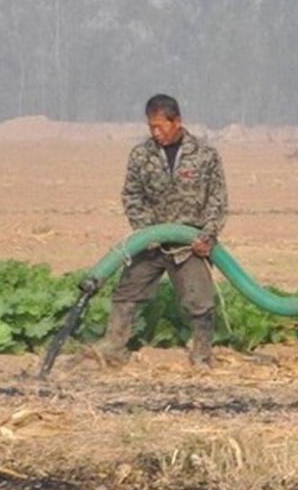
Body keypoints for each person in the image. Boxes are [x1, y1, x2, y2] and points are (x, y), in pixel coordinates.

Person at [95, 94, 230, 367]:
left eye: (160, 126)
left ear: (177, 121)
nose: (156, 133)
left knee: (200, 301)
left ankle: (202, 355)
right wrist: (146, 231)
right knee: (127, 292)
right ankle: (113, 351)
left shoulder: (205, 155)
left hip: (188, 244)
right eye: (151, 127)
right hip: (151, 243)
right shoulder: (140, 156)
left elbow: (217, 199)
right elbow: (132, 196)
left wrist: (208, 235)